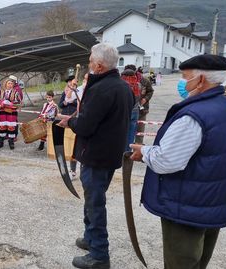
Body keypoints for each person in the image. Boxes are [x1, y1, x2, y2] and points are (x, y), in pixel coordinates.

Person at [130, 54, 226, 269]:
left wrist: (145, 152)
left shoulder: (193, 115)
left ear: (201, 80)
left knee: (182, 262)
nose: (182, 81)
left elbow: (167, 160)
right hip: (212, 199)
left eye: (185, 76)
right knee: (199, 260)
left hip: (187, 204)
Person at [58, 43, 134, 269]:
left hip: (96, 156)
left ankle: (99, 254)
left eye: (91, 60)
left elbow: (86, 125)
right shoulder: (122, 87)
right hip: (108, 155)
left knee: (95, 204)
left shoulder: (101, 89)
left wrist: (69, 121)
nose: (89, 63)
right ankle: (91, 238)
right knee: (93, 199)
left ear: (99, 66)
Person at [58, 75, 80, 178]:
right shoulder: (64, 92)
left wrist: (73, 101)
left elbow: (80, 104)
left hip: (73, 120)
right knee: (65, 144)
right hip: (64, 119)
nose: (70, 84)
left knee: (73, 145)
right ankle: (64, 168)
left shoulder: (79, 92)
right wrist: (65, 102)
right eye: (69, 82)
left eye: (72, 82)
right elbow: (60, 105)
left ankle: (73, 170)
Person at [0, 79, 22, 150]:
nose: (10, 85)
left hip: (12, 112)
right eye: (8, 83)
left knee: (11, 127)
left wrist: (11, 103)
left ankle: (11, 142)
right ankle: (0, 142)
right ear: (5, 84)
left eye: (11, 84)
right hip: (3, 112)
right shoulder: (0, 92)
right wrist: (1, 103)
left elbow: (19, 102)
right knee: (2, 126)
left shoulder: (16, 92)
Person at [121, 67, 141, 151]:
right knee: (131, 133)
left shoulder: (122, 84)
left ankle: (121, 150)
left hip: (125, 111)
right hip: (135, 111)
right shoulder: (138, 84)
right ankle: (128, 151)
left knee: (122, 132)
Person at [134, 65, 154, 145]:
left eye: (140, 73)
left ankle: (138, 149)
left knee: (140, 131)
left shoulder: (145, 80)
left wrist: (145, 99)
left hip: (142, 110)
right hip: (131, 110)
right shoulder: (128, 80)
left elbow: (150, 91)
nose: (139, 75)